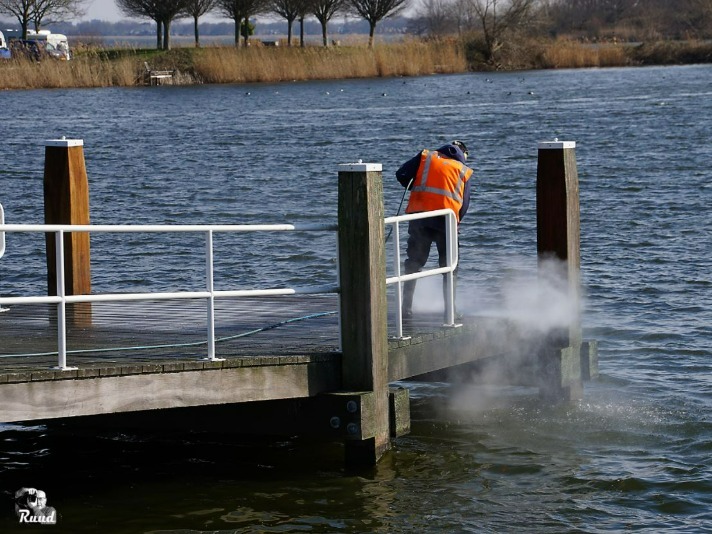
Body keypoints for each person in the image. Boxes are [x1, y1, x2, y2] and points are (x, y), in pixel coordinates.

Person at [395, 140, 474, 319]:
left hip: (419, 218)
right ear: (464, 154)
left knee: (414, 262)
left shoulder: (426, 157)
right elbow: (465, 203)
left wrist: (416, 187)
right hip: (446, 221)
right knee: (449, 266)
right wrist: (456, 221)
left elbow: (401, 174)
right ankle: (450, 310)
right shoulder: (462, 170)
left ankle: (406, 309)